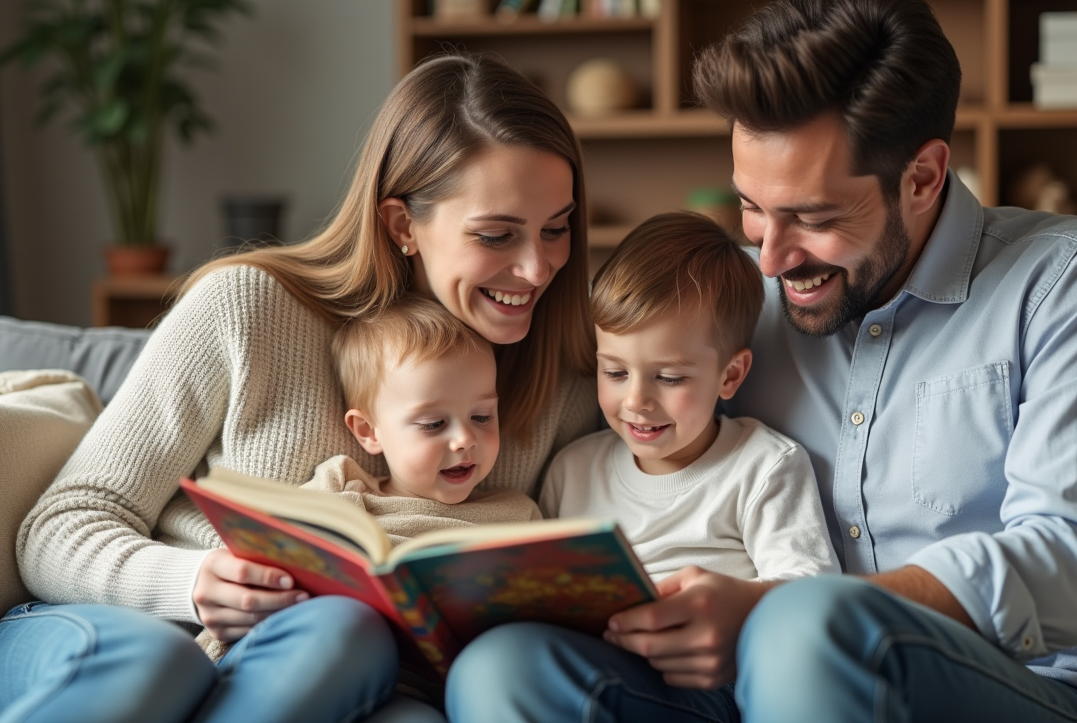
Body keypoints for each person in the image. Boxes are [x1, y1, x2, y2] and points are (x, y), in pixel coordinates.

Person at [445, 0, 1077, 723]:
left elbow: (1072, 563)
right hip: (755, 689)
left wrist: (774, 608)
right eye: (752, 209)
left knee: (803, 627)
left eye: (813, 216)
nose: (770, 258)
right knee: (507, 668)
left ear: (922, 178)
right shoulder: (736, 310)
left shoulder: (1073, 281)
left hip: (1025, 689)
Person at [2, 53, 597, 723]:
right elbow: (57, 528)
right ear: (403, 225)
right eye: (497, 234)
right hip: (155, 638)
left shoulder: (568, 383)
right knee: (175, 658)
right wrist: (193, 583)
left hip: (353, 679)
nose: (536, 267)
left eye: (557, 229)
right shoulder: (248, 309)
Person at [195, 297, 540, 667]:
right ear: (368, 432)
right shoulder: (342, 488)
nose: (465, 440)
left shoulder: (517, 513)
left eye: (482, 416)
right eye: (433, 424)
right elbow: (271, 563)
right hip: (324, 657)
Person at [540, 212, 837, 585]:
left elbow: (811, 585)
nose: (636, 400)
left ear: (729, 376)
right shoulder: (572, 472)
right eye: (615, 372)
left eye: (668, 377)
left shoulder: (764, 467)